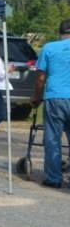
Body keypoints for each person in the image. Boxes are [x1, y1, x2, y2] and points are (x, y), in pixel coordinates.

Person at [32, 18, 70, 188]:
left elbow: (41, 78)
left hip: (55, 97)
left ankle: (54, 178)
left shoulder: (49, 48)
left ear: (60, 32)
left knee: (53, 139)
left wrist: (36, 97)